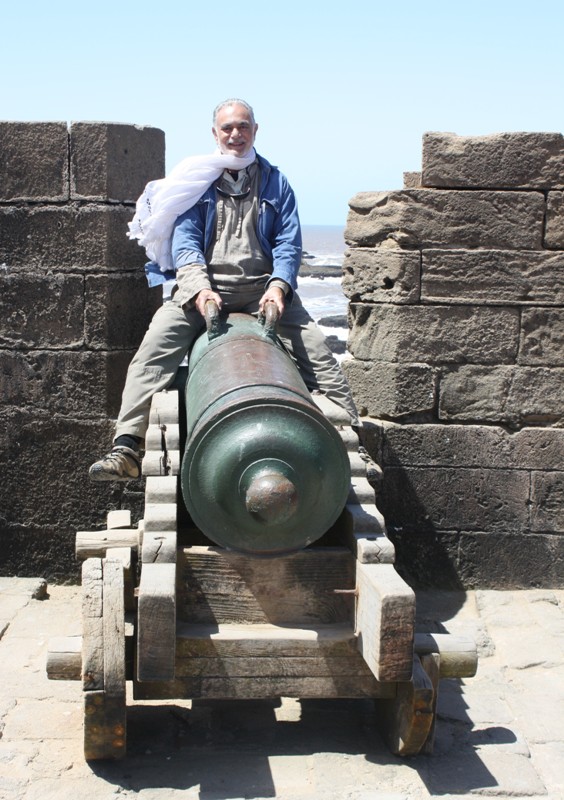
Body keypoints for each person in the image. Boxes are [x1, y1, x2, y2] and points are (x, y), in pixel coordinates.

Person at [89, 98, 359, 481]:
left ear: (255, 131)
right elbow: (186, 244)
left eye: (243, 126)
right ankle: (126, 448)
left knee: (318, 356)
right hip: (204, 288)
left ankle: (354, 444)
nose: (236, 134)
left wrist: (279, 287)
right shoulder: (198, 181)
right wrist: (199, 290)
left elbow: (288, 243)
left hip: (260, 289)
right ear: (215, 133)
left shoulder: (276, 182)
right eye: (228, 128)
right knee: (153, 353)